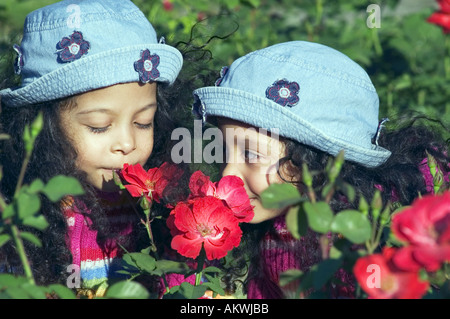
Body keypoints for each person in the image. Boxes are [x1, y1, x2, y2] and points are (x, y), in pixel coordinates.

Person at [192, 41, 450, 298]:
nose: (227, 175)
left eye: (251, 154)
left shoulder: (366, 236)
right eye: (224, 151)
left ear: (311, 161)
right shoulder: (274, 236)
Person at [0, 0, 187, 297]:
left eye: (143, 122)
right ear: (44, 127)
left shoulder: (158, 208)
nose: (127, 144)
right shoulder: (22, 216)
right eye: (99, 126)